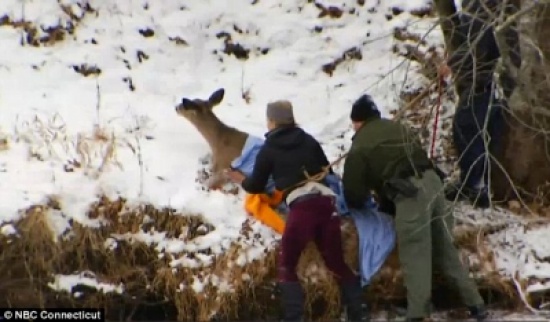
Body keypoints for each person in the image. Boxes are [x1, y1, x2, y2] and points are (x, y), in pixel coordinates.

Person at [341, 94, 488, 322]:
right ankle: (476, 304)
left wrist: (361, 206)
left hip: (411, 194)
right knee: (444, 249)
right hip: (434, 184)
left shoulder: (360, 143)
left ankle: (417, 314)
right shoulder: (397, 127)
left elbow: (352, 190)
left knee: (415, 253)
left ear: (358, 121)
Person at [225, 100, 367, 321]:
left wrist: (239, 179)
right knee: (336, 263)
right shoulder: (308, 140)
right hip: (326, 206)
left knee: (287, 265)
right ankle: (359, 314)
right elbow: (325, 167)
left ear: (271, 121)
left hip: (302, 210)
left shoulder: (268, 149)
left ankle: (294, 317)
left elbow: (256, 185)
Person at [441, 0, 520, 208]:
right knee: (486, 130)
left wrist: (451, 64)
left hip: (486, 80)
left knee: (466, 125)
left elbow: (478, 47)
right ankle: (482, 182)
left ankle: (475, 184)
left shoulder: (479, 5)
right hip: (499, 81)